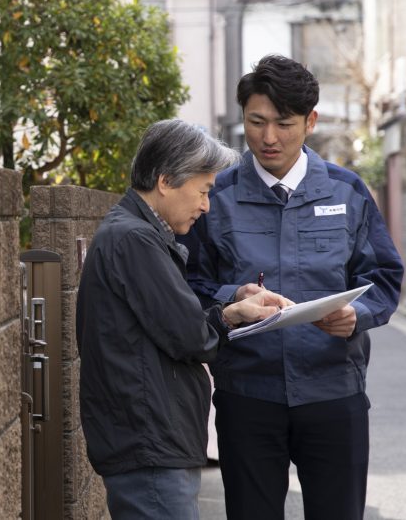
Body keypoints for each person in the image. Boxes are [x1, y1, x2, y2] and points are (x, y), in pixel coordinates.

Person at [179, 54, 404, 520]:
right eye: (255, 122)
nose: (268, 138)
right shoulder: (215, 196)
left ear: (311, 121)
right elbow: (188, 282)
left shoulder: (347, 192)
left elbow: (383, 275)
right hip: (247, 394)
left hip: (333, 391)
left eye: (283, 123)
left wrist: (355, 316)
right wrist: (231, 298)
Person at [77, 118, 290, 520]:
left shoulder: (133, 233)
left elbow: (171, 324)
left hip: (147, 439)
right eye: (203, 191)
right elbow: (192, 337)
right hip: (150, 442)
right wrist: (229, 319)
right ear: (165, 181)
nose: (206, 205)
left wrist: (231, 311)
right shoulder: (136, 239)